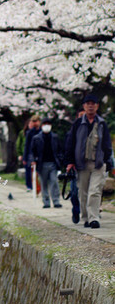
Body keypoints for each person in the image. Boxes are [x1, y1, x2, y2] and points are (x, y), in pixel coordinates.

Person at [65, 94, 113, 229]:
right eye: (88, 103)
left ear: (97, 106)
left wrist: (107, 160)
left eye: (93, 103)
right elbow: (71, 143)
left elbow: (107, 144)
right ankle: (86, 217)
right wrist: (69, 162)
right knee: (83, 192)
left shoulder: (102, 123)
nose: (90, 106)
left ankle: (94, 218)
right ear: (84, 106)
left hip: (98, 163)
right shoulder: (77, 123)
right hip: (81, 163)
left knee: (95, 191)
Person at [30, 118, 63, 209]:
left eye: (48, 124)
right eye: (45, 124)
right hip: (42, 164)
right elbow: (32, 151)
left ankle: (56, 201)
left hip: (53, 163)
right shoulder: (36, 138)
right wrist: (32, 160)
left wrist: (60, 160)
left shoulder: (55, 137)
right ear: (42, 125)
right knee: (43, 183)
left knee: (54, 182)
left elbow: (60, 150)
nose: (47, 126)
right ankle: (46, 202)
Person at [23, 115, 41, 192]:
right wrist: (25, 157)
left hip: (41, 153)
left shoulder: (42, 131)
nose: (34, 123)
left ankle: (39, 186)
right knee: (31, 171)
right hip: (31, 153)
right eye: (33, 122)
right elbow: (26, 145)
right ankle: (31, 186)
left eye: (35, 121)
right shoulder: (29, 132)